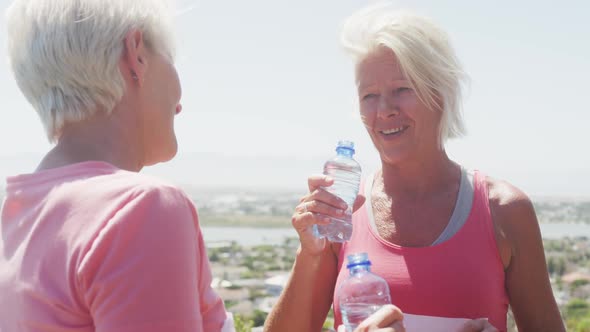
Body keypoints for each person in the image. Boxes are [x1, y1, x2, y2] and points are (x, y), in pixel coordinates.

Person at [265, 4, 565, 332]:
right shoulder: (342, 213)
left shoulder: (504, 210)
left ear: (441, 93)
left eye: (402, 90)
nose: (384, 110)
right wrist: (309, 254)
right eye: (369, 96)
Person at [0, 0, 232, 331]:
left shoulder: (19, 211)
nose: (179, 104)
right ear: (136, 53)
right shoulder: (139, 207)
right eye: (170, 59)